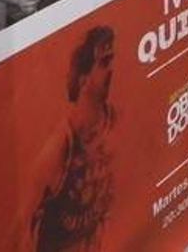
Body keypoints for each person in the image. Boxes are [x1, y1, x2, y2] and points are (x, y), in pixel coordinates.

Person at [26, 25, 117, 248]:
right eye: (104, 63)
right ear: (83, 79)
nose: (112, 69)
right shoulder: (60, 149)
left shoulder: (114, 123)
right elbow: (23, 230)